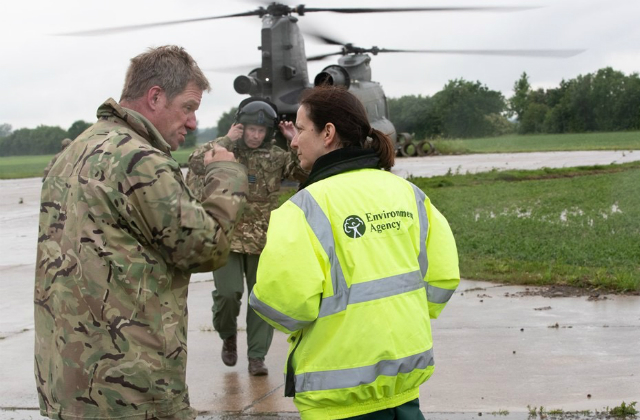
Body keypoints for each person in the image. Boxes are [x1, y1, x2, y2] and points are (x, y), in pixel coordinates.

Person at [34, 45, 248, 420]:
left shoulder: (73, 152)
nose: (193, 122)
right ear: (155, 97)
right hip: (130, 390)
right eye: (188, 107)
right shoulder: (139, 160)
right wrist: (226, 177)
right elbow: (206, 249)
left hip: (68, 384)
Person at [249, 85, 460, 419]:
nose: (293, 140)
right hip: (403, 385)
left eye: (301, 130)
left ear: (328, 133)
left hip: (338, 395)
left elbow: (286, 306)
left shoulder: (302, 209)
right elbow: (443, 277)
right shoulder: (409, 194)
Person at [186, 98, 307, 376]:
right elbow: (195, 162)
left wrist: (295, 140)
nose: (255, 135)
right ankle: (228, 335)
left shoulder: (276, 157)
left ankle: (257, 357)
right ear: (241, 127)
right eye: (251, 129)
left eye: (261, 131)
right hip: (226, 236)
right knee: (229, 294)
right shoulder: (225, 152)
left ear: (268, 133)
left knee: (261, 299)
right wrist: (226, 140)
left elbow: (303, 170)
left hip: (263, 240)